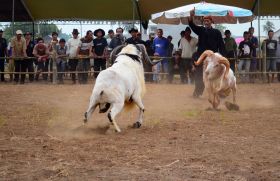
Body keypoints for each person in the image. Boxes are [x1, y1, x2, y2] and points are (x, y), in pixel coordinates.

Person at [188, 10, 226, 97]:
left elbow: (221, 45)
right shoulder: (201, 30)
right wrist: (191, 16)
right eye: (205, 21)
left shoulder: (217, 32)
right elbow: (191, 25)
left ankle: (220, 93)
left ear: (211, 22)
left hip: (213, 58)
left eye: (208, 21)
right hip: (202, 57)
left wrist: (223, 57)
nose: (206, 22)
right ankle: (197, 93)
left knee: (216, 76)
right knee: (200, 76)